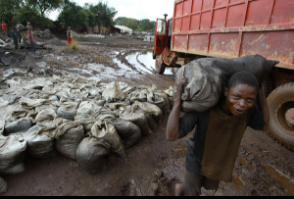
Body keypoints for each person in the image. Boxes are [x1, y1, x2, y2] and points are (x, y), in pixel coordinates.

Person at [166, 71, 269, 196]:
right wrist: (178, 98)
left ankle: (183, 187)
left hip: (219, 164)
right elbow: (171, 135)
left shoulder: (249, 111)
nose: (242, 105)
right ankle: (184, 188)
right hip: (197, 159)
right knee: (192, 193)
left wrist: (262, 97)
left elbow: (264, 126)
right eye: (236, 97)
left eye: (249, 99)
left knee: (208, 192)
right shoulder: (206, 108)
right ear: (226, 92)